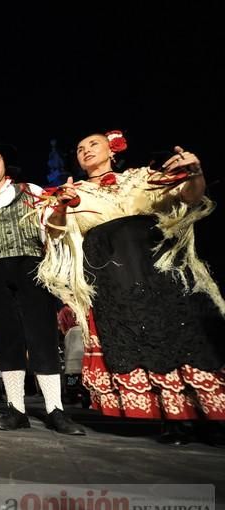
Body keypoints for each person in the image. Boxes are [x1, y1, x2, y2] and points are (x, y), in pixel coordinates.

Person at [43, 130, 225, 444]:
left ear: (112, 150)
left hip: (157, 266)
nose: (85, 151)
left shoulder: (140, 178)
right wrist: (60, 207)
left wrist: (195, 171)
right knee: (138, 337)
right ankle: (174, 418)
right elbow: (54, 230)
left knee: (181, 333)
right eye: (80, 148)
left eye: (93, 145)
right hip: (113, 276)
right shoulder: (74, 191)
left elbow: (189, 196)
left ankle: (210, 415)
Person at [0, 144, 85, 435]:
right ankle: (16, 409)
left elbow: (51, 228)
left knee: (41, 334)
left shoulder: (31, 191)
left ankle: (55, 409)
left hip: (29, 265)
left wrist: (62, 207)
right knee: (4, 339)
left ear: (5, 165)